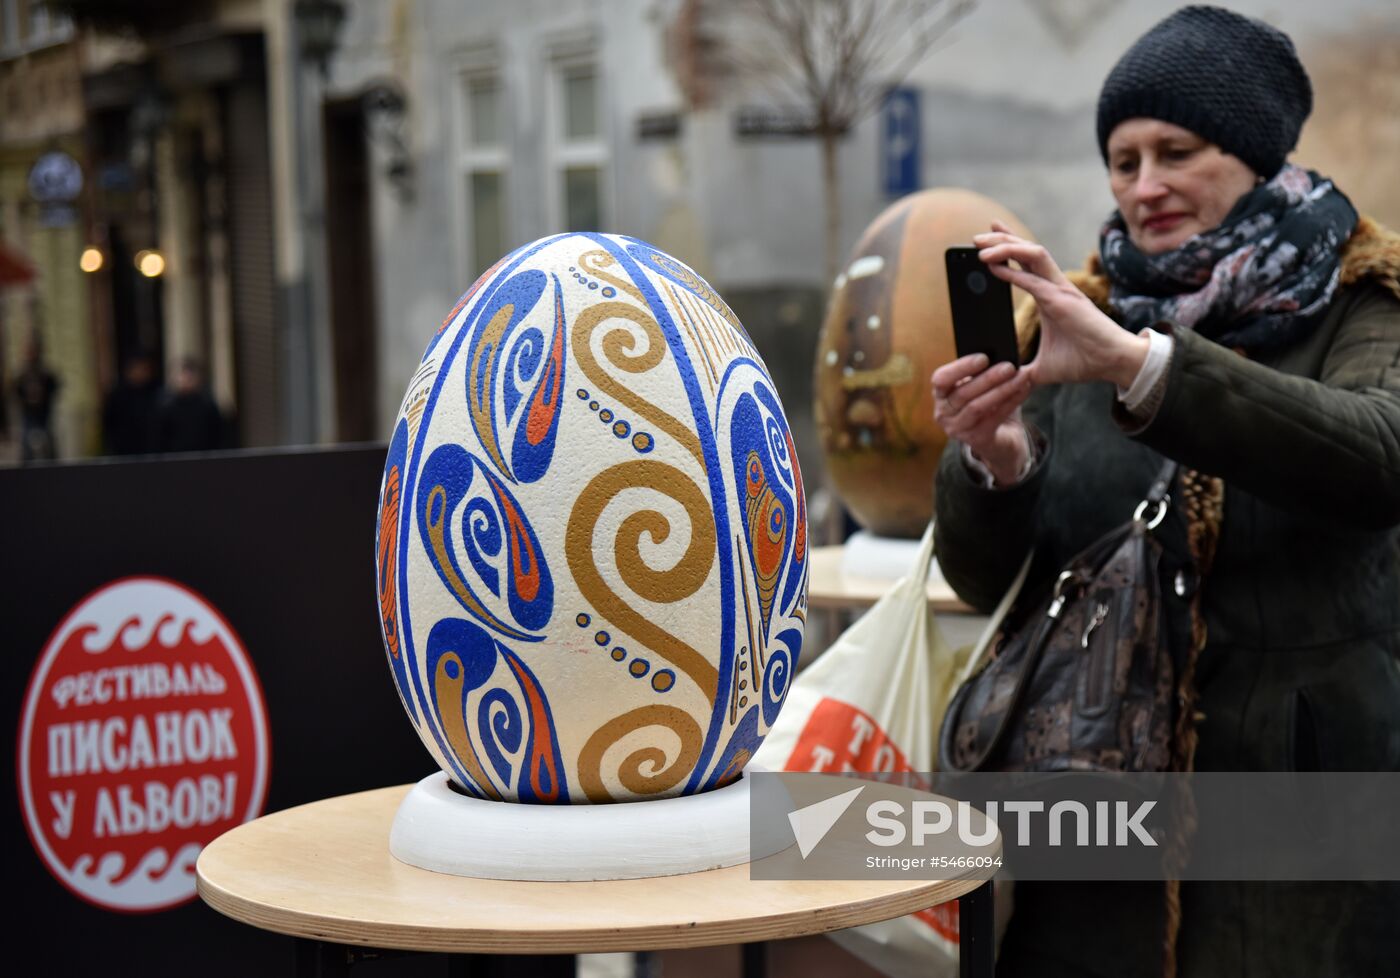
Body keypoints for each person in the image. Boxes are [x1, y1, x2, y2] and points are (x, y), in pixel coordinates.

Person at [930, 6, 1400, 977]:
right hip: (1095, 831)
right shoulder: (1077, 316)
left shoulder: (1365, 295)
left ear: (1253, 152)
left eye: (1173, 152)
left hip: (1300, 821)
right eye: (1120, 160)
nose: (1143, 187)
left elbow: (1378, 457)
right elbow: (988, 587)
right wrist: (995, 462)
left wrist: (1146, 370)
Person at [155, 356, 225, 453]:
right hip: (175, 460)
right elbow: (160, 440)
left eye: (190, 376)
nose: (185, 380)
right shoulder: (167, 408)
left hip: (205, 459)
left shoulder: (208, 406)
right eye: (182, 375)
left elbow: (217, 436)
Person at [102, 349, 161, 455]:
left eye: (144, 369)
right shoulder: (118, 395)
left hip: (151, 452)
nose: (140, 373)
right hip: (123, 451)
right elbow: (109, 424)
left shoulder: (157, 393)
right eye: (137, 368)